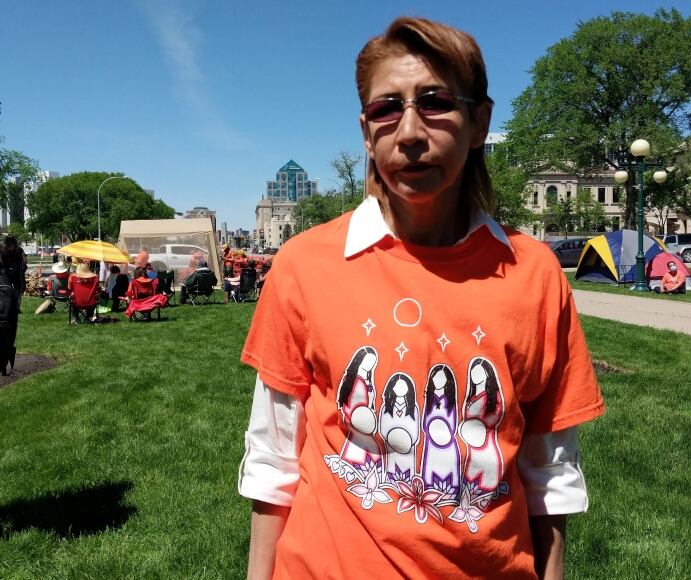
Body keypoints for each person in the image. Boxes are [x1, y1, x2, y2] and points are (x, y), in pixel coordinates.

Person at [238, 17, 604, 580]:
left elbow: (550, 476)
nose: (409, 130)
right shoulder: (303, 266)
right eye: (387, 108)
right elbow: (273, 460)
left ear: (478, 121)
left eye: (434, 102)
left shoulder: (535, 276)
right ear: (367, 132)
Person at [0, 235, 27, 312]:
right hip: (16, 273)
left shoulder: (2, 249)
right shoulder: (19, 249)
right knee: (17, 290)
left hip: (6, 272)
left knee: (5, 290)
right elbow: (24, 262)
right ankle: (17, 307)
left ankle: (7, 306)